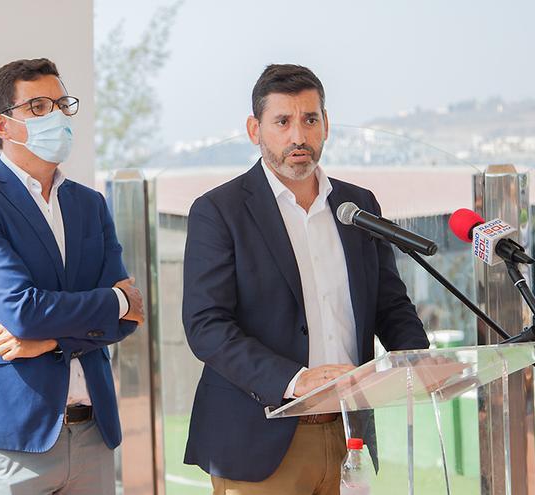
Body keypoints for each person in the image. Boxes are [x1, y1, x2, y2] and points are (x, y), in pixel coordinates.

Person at [181, 64, 430, 494]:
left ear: (326, 125)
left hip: (346, 434)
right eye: (283, 121)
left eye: (310, 119)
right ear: (254, 129)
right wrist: (294, 380)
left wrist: (417, 359)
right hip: (258, 441)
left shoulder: (358, 205)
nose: (299, 136)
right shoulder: (219, 211)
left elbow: (389, 303)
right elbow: (207, 326)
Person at [0, 58, 143, 494]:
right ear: (2, 124)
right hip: (9, 438)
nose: (55, 116)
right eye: (37, 106)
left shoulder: (89, 205)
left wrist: (52, 341)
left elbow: (128, 322)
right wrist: (115, 301)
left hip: (93, 435)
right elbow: (23, 311)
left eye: (60, 104)